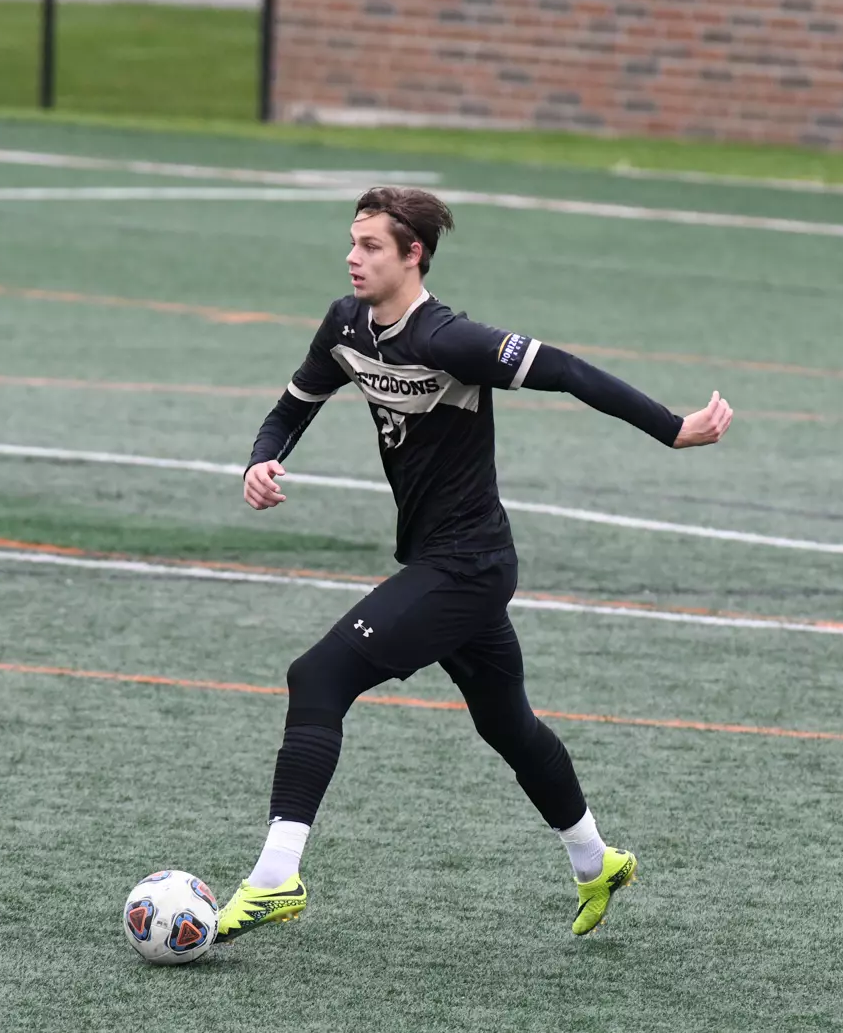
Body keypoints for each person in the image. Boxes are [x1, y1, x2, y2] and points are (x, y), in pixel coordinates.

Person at [215, 187, 733, 942]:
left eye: (371, 247)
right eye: (352, 243)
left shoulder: (449, 338)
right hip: (447, 559)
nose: (353, 257)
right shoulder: (346, 323)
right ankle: (597, 861)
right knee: (508, 723)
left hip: (468, 565)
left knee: (318, 675)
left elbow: (566, 370)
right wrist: (262, 462)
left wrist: (671, 428)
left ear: (412, 255)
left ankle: (275, 878)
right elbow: (294, 405)